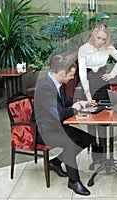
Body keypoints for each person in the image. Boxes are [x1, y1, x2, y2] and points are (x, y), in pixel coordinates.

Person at [34, 54, 92, 196]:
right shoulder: (45, 87)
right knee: (70, 144)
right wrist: (76, 108)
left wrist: (79, 101)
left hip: (56, 127)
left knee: (87, 139)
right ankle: (74, 181)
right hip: (44, 131)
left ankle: (56, 162)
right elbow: (59, 114)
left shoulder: (55, 82)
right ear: (62, 73)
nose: (72, 78)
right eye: (71, 75)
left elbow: (62, 101)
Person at [78, 24, 117, 159]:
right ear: (94, 35)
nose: (101, 42)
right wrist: (88, 97)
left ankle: (103, 151)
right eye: (99, 38)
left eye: (104, 39)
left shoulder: (108, 47)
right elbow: (82, 75)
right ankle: (94, 149)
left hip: (102, 84)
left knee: (104, 120)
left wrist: (112, 75)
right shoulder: (84, 49)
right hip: (88, 85)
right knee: (91, 121)